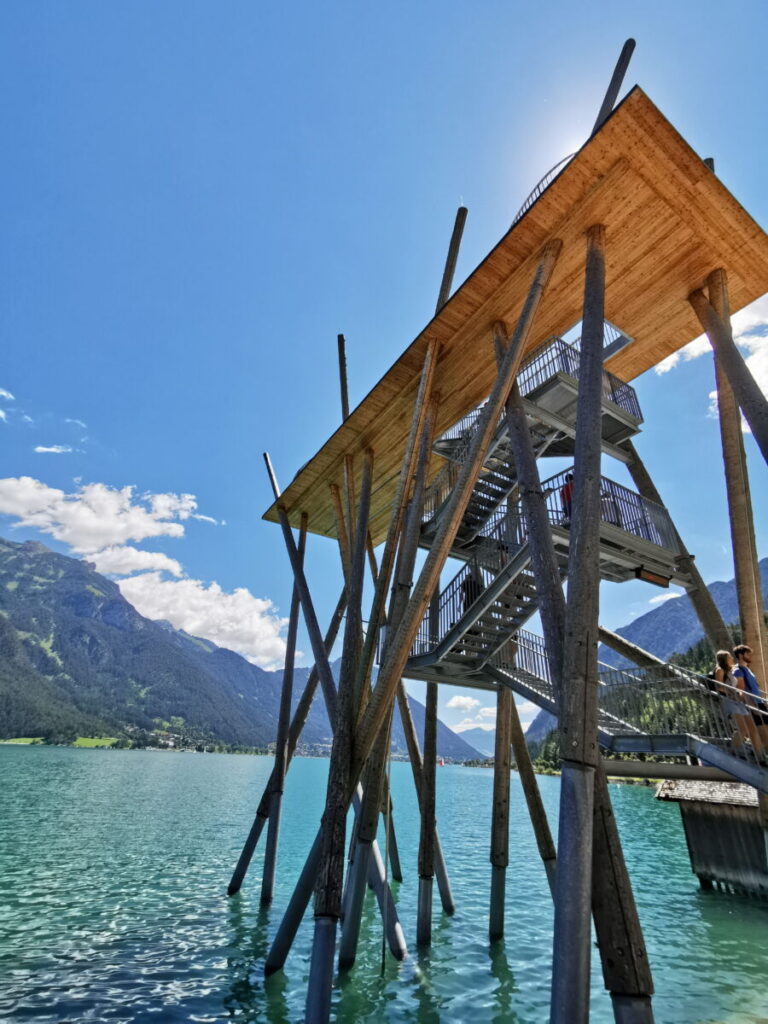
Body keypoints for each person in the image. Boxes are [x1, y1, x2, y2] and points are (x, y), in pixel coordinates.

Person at [713, 650, 752, 752]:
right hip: (729, 700)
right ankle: (734, 749)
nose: (731, 658)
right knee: (742, 729)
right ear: (724, 659)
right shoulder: (720, 670)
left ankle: (738, 745)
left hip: (737, 701)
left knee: (748, 729)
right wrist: (732, 693)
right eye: (729, 657)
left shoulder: (731, 670)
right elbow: (719, 687)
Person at [732, 644, 768, 752]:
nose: (750, 656)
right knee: (764, 735)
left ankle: (760, 754)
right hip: (753, 704)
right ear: (740, 655)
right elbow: (741, 690)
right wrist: (752, 707)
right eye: (747, 654)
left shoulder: (747, 669)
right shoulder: (738, 670)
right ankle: (760, 756)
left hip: (759, 703)